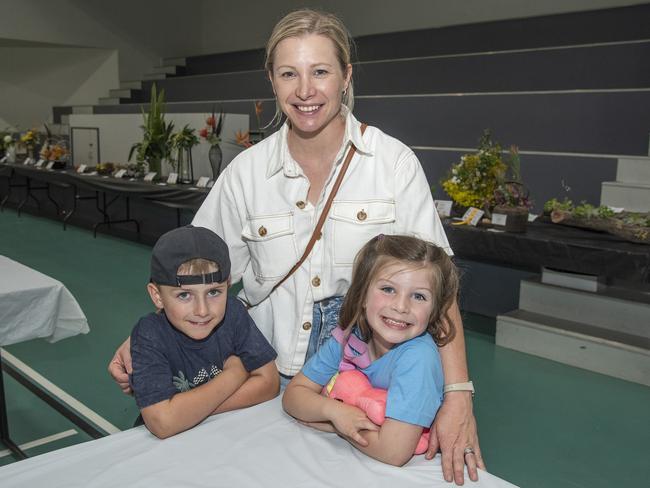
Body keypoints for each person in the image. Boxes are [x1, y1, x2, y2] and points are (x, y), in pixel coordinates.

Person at [109, 9, 484, 483]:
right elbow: (193, 269)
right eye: (289, 73)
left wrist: (457, 394)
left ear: (346, 77)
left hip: (370, 390)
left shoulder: (391, 164)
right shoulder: (246, 174)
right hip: (268, 381)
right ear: (272, 79)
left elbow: (439, 287)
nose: (305, 91)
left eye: (321, 72)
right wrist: (148, 338)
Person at [283, 235, 457, 466]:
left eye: (419, 296)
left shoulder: (418, 358)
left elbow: (393, 452)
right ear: (362, 295)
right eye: (388, 289)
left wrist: (336, 426)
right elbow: (294, 395)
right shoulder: (348, 338)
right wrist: (335, 412)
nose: (401, 306)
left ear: (435, 310)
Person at [129, 225, 279, 438]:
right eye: (184, 296)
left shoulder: (233, 313)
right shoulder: (149, 334)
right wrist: (234, 375)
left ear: (228, 285)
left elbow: (269, 383)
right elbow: (163, 422)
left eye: (214, 292)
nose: (202, 311)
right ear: (157, 296)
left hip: (220, 437)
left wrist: (188, 412)